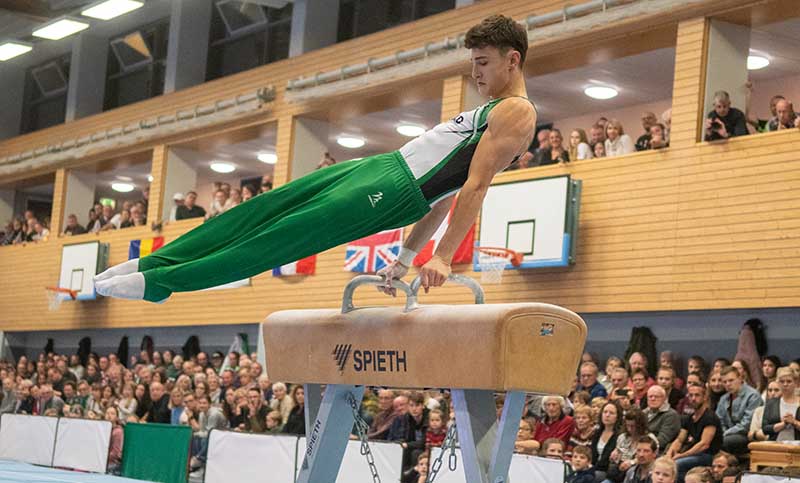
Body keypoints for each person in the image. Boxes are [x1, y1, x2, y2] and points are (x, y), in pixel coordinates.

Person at [93, 14, 537, 303]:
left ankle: (162, 284)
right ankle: (156, 262)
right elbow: (447, 193)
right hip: (381, 168)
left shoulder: (517, 111)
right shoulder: (490, 109)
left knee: (286, 236)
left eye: (482, 62)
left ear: (512, 60)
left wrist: (440, 257)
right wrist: (406, 258)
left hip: (392, 190)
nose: (475, 72)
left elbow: (473, 187)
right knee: (264, 210)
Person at [667, 384, 722, 481]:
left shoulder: (710, 417)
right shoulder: (689, 418)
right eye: (691, 395)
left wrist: (681, 455)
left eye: (697, 395)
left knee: (677, 465)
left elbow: (704, 444)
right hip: (692, 454)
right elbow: (679, 440)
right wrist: (668, 455)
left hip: (708, 455)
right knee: (664, 464)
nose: (693, 398)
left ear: (704, 397)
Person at [715, 366, 762, 454]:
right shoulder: (724, 398)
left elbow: (746, 425)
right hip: (728, 434)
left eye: (731, 380)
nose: (728, 384)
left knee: (722, 441)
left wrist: (725, 433)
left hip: (747, 435)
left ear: (740, 378)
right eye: (724, 382)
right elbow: (719, 420)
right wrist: (722, 432)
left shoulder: (753, 396)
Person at [761, 366, 800, 441]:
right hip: (776, 446)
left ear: (795, 383)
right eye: (782, 381)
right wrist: (783, 424)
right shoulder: (771, 403)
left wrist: (794, 422)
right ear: (778, 383)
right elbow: (765, 429)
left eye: (789, 381)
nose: (785, 384)